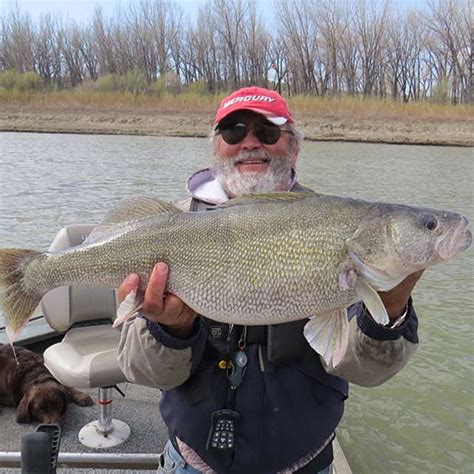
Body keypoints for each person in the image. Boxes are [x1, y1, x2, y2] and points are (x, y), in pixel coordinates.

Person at [117, 86, 423, 473]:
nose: (250, 143)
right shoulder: (167, 228)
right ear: (217, 148)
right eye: (233, 132)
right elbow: (141, 371)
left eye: (267, 132)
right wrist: (171, 329)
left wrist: (392, 310)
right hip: (194, 462)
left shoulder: (342, 226)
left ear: (293, 147)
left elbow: (365, 371)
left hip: (304, 463)